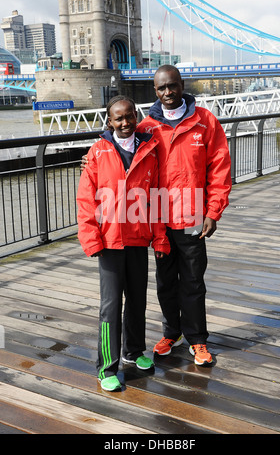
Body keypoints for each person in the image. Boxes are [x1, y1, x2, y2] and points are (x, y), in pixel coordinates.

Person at [137, 65, 232, 366]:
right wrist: (91, 161)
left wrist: (213, 211)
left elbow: (219, 168)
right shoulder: (146, 127)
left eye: (173, 86)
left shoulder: (205, 122)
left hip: (192, 215)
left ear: (182, 85)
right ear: (155, 91)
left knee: (192, 280)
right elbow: (121, 155)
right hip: (160, 219)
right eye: (162, 88)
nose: (168, 93)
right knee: (165, 281)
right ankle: (171, 332)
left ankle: (197, 339)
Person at [76, 95, 170, 391]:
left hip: (138, 238)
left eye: (130, 116)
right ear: (110, 121)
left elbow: (156, 198)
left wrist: (160, 236)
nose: (126, 123)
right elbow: (85, 199)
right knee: (111, 305)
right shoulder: (98, 152)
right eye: (119, 118)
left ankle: (133, 352)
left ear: (136, 116)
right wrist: (91, 238)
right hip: (110, 240)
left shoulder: (150, 151)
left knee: (137, 300)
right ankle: (107, 367)